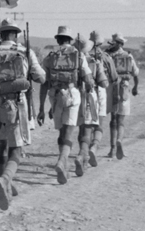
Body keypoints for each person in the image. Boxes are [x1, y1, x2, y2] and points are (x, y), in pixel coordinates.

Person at [0, 18, 45, 210]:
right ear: (16, 34)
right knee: (17, 149)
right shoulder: (23, 52)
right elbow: (41, 77)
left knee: (1, 146)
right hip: (16, 104)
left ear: (0, 34)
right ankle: (5, 178)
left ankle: (4, 181)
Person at [38, 26, 93, 185]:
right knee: (69, 131)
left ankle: (63, 159)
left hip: (54, 96)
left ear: (57, 39)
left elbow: (43, 84)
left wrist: (41, 108)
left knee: (62, 132)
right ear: (71, 40)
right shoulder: (79, 56)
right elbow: (88, 80)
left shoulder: (50, 57)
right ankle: (62, 161)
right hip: (72, 95)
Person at [73, 38, 109, 174]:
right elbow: (104, 83)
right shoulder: (95, 61)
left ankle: (84, 156)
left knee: (81, 129)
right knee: (91, 129)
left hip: (75, 96)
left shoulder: (72, 60)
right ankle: (84, 155)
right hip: (91, 97)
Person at [88, 31, 120, 166]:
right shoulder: (106, 57)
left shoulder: (83, 55)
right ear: (101, 43)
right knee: (99, 124)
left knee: (86, 124)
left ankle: (85, 151)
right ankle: (94, 147)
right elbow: (114, 78)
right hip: (101, 91)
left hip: (85, 91)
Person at [106, 33, 139, 159]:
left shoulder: (108, 55)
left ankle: (112, 149)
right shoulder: (128, 55)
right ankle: (119, 139)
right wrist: (135, 87)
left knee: (112, 120)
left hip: (111, 88)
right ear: (122, 44)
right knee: (121, 121)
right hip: (124, 88)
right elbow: (135, 73)